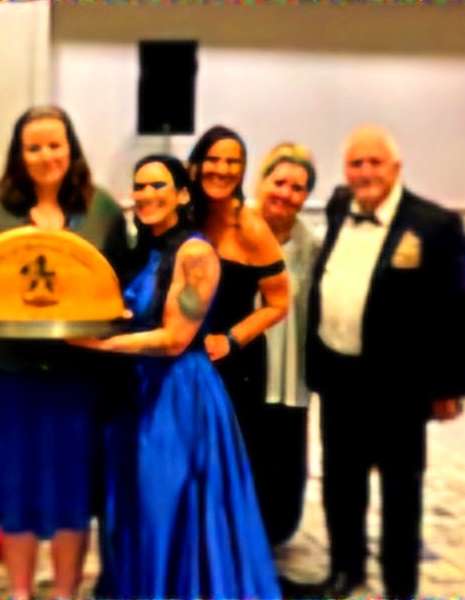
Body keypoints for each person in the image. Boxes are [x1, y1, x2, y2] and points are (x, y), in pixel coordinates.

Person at [72, 155, 281, 600]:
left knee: (164, 504)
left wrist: (98, 346)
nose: (146, 194)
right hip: (133, 390)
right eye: (140, 186)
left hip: (177, 396)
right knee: (133, 503)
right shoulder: (142, 249)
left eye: (158, 185)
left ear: (183, 195)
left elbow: (174, 339)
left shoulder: (195, 254)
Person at [0, 106, 129, 599]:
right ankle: (21, 592)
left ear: (71, 149)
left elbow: (121, 284)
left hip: (78, 380)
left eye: (55, 145)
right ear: (19, 154)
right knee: (17, 493)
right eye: (34, 147)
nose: (46, 156)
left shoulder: (103, 211)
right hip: (9, 380)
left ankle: (65, 592)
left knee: (73, 493)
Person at [306, 125, 465, 599]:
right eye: (356, 163)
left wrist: (450, 386)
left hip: (400, 384)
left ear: (396, 167)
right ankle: (346, 570)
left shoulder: (434, 224)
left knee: (401, 491)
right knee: (341, 484)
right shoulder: (340, 209)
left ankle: (400, 586)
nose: (365, 172)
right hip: (340, 376)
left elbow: (456, 312)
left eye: (374, 162)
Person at [186, 125, 290, 543]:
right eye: (213, 159)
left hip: (235, 363)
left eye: (233, 162)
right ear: (196, 165)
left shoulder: (250, 227)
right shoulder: (185, 217)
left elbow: (279, 303)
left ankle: (227, 559)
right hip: (181, 357)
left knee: (226, 467)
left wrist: (230, 339)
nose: (222, 169)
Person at [251, 143, 321, 548]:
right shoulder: (236, 232)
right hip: (242, 375)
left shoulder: (311, 247)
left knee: (283, 471)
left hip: (290, 375)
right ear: (262, 182)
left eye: (297, 188)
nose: (286, 194)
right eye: (279, 182)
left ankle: (274, 538)